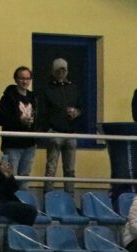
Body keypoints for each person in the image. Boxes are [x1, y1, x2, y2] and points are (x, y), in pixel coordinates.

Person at [41, 58, 81, 194]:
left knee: (70, 169)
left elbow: (81, 107)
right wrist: (48, 129)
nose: (61, 73)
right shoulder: (47, 89)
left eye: (63, 70)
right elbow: (42, 111)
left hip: (71, 132)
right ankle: (48, 198)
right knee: (51, 168)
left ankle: (69, 199)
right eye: (58, 70)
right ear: (53, 71)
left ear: (67, 71)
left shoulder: (73, 88)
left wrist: (77, 112)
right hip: (55, 132)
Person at [0, 66, 37, 187]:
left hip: (29, 143)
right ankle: (10, 202)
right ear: (16, 79)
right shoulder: (7, 98)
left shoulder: (33, 97)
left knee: (25, 176)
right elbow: (0, 119)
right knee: (10, 176)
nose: (25, 81)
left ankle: (22, 202)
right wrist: (19, 121)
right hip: (12, 143)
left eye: (28, 78)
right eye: (22, 78)